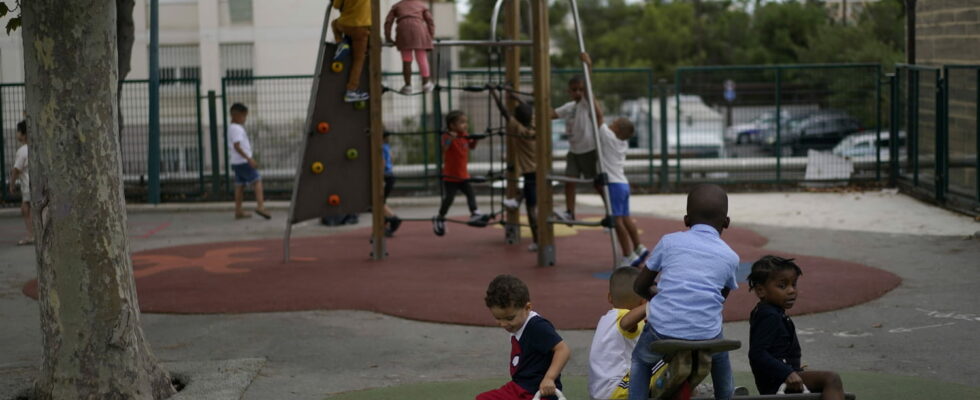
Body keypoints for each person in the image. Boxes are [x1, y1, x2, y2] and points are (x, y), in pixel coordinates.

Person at [629, 184, 739, 400]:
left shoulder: (669, 242)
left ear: (686, 220)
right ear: (726, 222)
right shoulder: (731, 257)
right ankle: (726, 395)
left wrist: (659, 295)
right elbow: (719, 300)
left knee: (640, 361)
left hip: (663, 330)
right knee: (719, 358)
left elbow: (639, 286)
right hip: (707, 334)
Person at [747, 255, 845, 399]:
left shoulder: (770, 311)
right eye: (782, 286)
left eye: (794, 284)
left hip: (783, 377)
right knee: (831, 379)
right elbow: (757, 354)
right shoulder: (769, 316)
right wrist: (787, 372)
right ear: (761, 290)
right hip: (778, 382)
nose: (791, 290)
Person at [478, 274, 570, 400]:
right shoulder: (517, 325)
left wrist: (549, 378)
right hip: (520, 387)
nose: (504, 324)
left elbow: (563, 350)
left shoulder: (536, 326)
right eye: (498, 318)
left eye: (509, 318)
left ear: (527, 307)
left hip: (539, 392)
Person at [552, 53, 603, 223]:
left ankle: (611, 210)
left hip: (588, 150)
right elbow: (552, 114)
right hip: (574, 151)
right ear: (569, 92)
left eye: (580, 89)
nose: (578, 92)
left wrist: (587, 66)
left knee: (598, 184)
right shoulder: (569, 107)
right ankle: (569, 211)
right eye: (574, 90)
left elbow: (588, 87)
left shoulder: (585, 103)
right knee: (569, 181)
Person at [489, 88, 539, 251]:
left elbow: (504, 112)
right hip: (542, 169)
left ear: (517, 118)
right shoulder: (535, 124)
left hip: (530, 171)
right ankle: (517, 200)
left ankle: (537, 240)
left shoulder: (520, 130)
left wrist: (493, 92)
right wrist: (516, 97)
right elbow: (527, 109)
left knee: (532, 209)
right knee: (537, 202)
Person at [588, 267, 647, 400]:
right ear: (643, 301)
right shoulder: (626, 317)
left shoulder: (605, 319)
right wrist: (653, 304)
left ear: (609, 297)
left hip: (598, 391)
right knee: (667, 357)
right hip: (617, 388)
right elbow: (625, 323)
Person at [597, 117, 648, 267]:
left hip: (614, 184)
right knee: (626, 218)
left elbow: (599, 118)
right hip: (623, 184)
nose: (610, 124)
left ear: (617, 130)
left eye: (613, 123)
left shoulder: (609, 137)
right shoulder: (623, 143)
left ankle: (628, 255)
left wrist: (590, 97)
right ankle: (639, 247)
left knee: (617, 221)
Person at [433, 110, 484, 236]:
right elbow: (444, 148)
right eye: (462, 122)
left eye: (465, 122)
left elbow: (471, 147)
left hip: (463, 175)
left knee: (470, 193)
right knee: (449, 199)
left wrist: (475, 139)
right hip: (450, 176)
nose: (465, 125)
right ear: (452, 125)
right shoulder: (447, 135)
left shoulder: (464, 135)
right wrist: (450, 139)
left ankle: (474, 213)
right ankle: (440, 217)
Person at [227, 103, 270, 220]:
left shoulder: (231, 127)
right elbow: (237, 146)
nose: (245, 119)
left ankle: (238, 211)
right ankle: (260, 206)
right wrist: (249, 159)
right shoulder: (237, 129)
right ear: (236, 115)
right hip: (243, 162)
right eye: (244, 116)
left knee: (240, 186)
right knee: (257, 181)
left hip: (236, 162)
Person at [384, 0, 435, 95]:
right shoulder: (421, 5)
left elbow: (388, 22)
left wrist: (388, 37)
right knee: (422, 58)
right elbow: (430, 21)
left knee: (406, 59)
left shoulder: (397, 5)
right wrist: (430, 36)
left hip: (403, 31)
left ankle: (408, 86)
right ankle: (426, 84)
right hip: (419, 30)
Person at [332, 0, 371, 102]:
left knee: (334, 23)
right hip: (361, 29)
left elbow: (336, 6)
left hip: (345, 25)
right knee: (358, 60)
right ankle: (351, 90)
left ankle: (340, 42)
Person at [9, 120, 33, 246]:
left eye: (18, 131)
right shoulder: (34, 148)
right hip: (36, 185)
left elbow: (16, 170)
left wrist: (12, 184)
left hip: (27, 186)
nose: (17, 134)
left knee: (25, 209)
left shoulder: (22, 150)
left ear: (23, 134)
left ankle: (31, 235)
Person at [382, 132, 402, 237]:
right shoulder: (386, 146)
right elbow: (391, 159)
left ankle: (393, 219)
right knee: (379, 202)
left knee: (377, 203)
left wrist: (379, 175)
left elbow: (382, 162)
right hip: (390, 175)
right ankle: (385, 223)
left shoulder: (379, 147)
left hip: (385, 177)